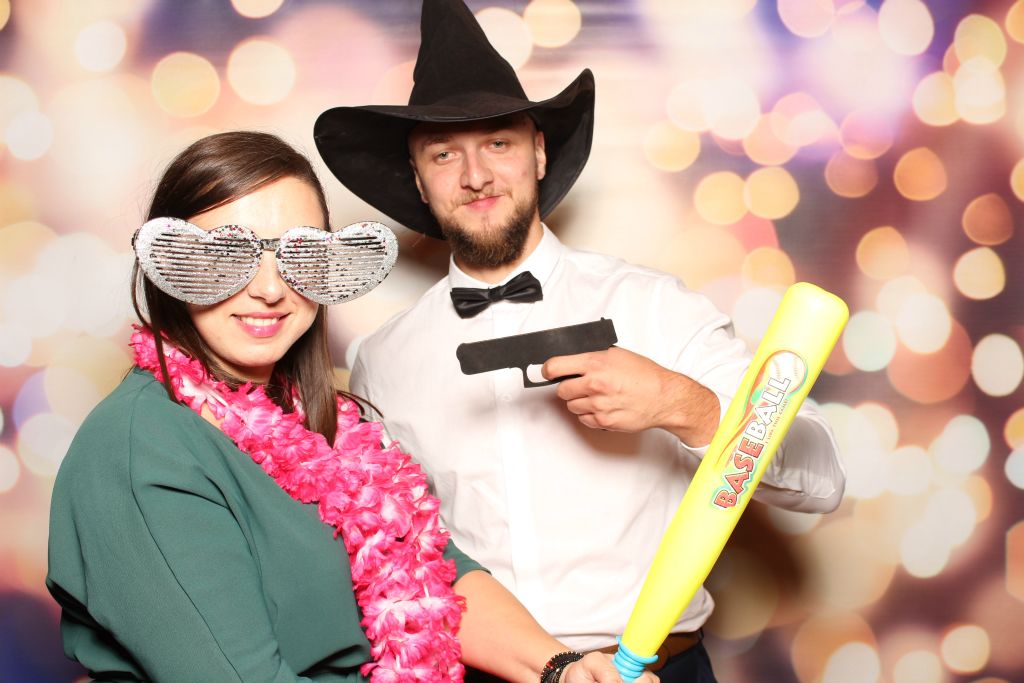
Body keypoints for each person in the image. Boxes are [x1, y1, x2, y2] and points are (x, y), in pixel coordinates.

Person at [314, 1, 847, 681]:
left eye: (498, 144)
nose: (475, 176)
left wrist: (684, 405)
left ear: (539, 153)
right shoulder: (380, 360)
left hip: (651, 669)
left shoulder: (655, 306)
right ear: (419, 179)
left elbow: (821, 478)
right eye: (444, 154)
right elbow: (396, 553)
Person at [45, 131, 657, 683]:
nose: (270, 287)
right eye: (227, 253)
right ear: (171, 264)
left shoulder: (335, 423)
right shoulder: (143, 447)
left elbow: (434, 572)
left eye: (297, 254)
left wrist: (559, 668)